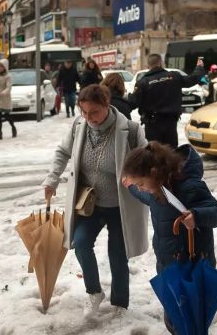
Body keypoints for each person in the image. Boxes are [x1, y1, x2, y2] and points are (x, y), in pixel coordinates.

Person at [120, 141, 217, 335]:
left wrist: (196, 216)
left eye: (141, 183)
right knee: (173, 314)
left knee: (186, 317)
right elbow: (146, 196)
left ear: (155, 173)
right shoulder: (156, 189)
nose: (142, 188)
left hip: (193, 263)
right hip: (168, 263)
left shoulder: (190, 187)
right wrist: (131, 187)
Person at [42, 84, 149, 313]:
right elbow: (62, 152)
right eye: (84, 112)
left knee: (117, 255)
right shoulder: (79, 126)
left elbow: (146, 160)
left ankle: (120, 303)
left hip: (121, 206)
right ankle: (94, 292)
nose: (89, 118)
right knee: (80, 244)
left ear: (107, 106)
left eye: (94, 112)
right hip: (90, 204)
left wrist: (135, 177)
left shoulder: (130, 130)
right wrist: (52, 180)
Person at [134, 54, 205, 147]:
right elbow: (193, 79)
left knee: (153, 154)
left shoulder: (143, 83)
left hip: (152, 125)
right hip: (170, 124)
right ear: (161, 63)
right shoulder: (174, 76)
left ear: (148, 66)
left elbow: (133, 102)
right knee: (171, 154)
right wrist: (199, 67)